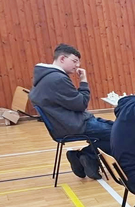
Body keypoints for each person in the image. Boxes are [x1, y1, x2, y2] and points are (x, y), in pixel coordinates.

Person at [30, 43, 112, 180]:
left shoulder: (43, 77)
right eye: (74, 61)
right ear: (62, 58)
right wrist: (83, 81)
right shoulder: (57, 79)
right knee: (120, 132)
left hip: (64, 124)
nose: (77, 65)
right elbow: (81, 104)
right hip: (74, 125)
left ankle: (85, 157)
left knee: (113, 128)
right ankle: (87, 156)